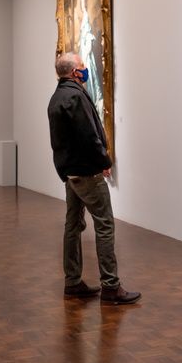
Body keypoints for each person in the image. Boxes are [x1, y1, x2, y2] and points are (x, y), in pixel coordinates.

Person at [47, 52, 140, 305]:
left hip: (71, 173)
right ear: (74, 71)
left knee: (73, 225)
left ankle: (73, 281)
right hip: (87, 172)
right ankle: (111, 286)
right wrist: (104, 162)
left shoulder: (57, 97)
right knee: (105, 225)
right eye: (82, 66)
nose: (85, 69)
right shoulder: (75, 96)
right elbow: (89, 136)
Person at [77, 0, 104, 117]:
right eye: (81, 2)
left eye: (84, 2)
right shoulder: (82, 17)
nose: (82, 5)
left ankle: (92, 100)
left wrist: (86, 53)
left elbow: (88, 36)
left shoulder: (86, 16)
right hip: (84, 50)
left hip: (87, 52)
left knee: (90, 77)